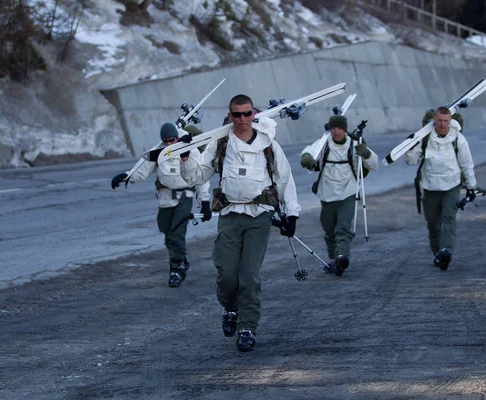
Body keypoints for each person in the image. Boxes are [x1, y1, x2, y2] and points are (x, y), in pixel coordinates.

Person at [179, 94, 301, 352]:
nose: (243, 119)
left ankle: (248, 328)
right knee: (227, 274)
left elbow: (284, 179)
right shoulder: (220, 143)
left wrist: (291, 215)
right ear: (230, 115)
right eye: (237, 114)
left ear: (254, 114)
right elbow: (197, 176)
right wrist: (186, 157)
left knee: (249, 275)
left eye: (247, 113)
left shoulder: (268, 143)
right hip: (230, 215)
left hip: (259, 215)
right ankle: (230, 308)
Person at [111, 122, 211, 288]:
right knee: (166, 230)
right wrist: (126, 177)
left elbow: (199, 176)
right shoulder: (159, 151)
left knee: (177, 232)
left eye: (171, 140)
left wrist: (205, 201)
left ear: (177, 138)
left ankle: (176, 269)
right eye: (165, 141)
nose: (168, 144)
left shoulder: (189, 149)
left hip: (184, 195)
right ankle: (181, 257)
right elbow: (142, 169)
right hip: (165, 196)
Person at [299, 115, 378, 277]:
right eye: (333, 128)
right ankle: (334, 258)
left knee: (343, 226)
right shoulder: (324, 144)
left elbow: (373, 164)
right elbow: (309, 151)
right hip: (326, 193)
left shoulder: (354, 145)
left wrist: (366, 154)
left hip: (348, 192)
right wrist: (306, 157)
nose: (336, 132)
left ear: (345, 129)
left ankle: (342, 256)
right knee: (328, 228)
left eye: (340, 129)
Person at [404, 106, 477, 270]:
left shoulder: (458, 138)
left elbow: (466, 164)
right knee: (433, 223)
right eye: (439, 121)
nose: (443, 124)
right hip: (430, 186)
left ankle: (447, 251)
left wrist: (471, 187)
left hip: (452, 185)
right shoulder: (425, 138)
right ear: (434, 121)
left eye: (446, 121)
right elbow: (411, 161)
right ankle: (438, 253)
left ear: (450, 121)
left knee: (449, 218)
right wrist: (410, 146)